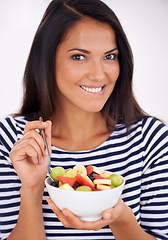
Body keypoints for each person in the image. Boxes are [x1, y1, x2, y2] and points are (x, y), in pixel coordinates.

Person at [0, 0, 168, 239]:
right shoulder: (12, 141)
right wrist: (32, 188)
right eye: (79, 57)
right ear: (47, 61)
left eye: (109, 56)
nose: (99, 74)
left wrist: (121, 220)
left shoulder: (150, 140)